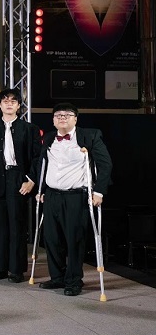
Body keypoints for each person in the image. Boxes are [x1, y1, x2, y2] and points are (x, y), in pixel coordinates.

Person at [34, 103, 112, 297]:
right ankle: (57, 277)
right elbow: (43, 164)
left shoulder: (89, 136)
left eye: (67, 115)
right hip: (52, 196)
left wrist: (99, 192)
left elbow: (105, 164)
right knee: (51, 239)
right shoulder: (49, 138)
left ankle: (74, 280)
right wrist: (41, 189)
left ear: (75, 119)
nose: (62, 118)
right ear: (53, 120)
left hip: (76, 196)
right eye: (58, 115)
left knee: (74, 240)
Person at [0, 88, 41, 283]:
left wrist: (31, 180)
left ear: (18, 106)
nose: (9, 104)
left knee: (17, 225)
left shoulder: (29, 129)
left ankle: (16, 270)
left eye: (13, 101)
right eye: (5, 101)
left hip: (18, 178)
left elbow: (37, 158)